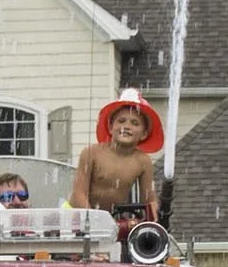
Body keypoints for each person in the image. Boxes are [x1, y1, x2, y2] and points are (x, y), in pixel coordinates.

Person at [69, 96, 163, 226]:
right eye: (121, 121)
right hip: (76, 215)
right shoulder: (91, 153)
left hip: (112, 219)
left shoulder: (143, 161)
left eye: (135, 123)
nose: (127, 126)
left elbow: (149, 200)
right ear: (111, 126)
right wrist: (93, 220)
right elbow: (79, 193)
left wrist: (154, 222)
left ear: (144, 134)